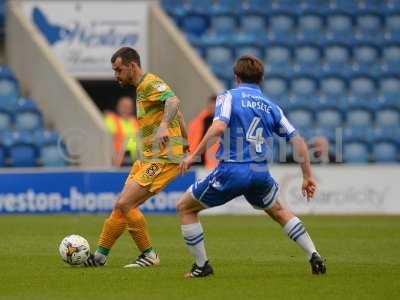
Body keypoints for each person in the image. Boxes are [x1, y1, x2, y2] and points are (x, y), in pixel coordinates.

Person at [177, 55, 326, 278]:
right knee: (279, 211)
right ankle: (313, 254)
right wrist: (307, 176)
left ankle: (202, 267)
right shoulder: (271, 106)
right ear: (261, 78)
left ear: (236, 77)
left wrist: (192, 156)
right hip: (259, 173)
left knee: (185, 208)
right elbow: (297, 141)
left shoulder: (228, 97)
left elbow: (218, 128)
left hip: (232, 170)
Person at [85, 47, 188, 268]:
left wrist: (163, 128)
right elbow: (178, 114)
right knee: (120, 206)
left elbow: (174, 102)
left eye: (118, 70)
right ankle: (100, 257)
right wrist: (187, 144)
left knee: (125, 203)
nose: (116, 75)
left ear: (132, 66)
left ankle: (149, 255)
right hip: (149, 158)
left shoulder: (151, 82)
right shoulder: (142, 88)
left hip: (163, 159)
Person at [104, 96, 139, 167]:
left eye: (129, 107)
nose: (126, 109)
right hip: (117, 160)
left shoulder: (136, 121)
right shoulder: (110, 119)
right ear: (117, 107)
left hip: (135, 160)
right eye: (123, 106)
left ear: (132, 109)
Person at [188, 95, 218, 169]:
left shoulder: (222, 125)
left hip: (213, 164)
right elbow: (190, 140)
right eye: (211, 106)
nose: (213, 108)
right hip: (195, 162)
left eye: (215, 106)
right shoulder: (197, 122)